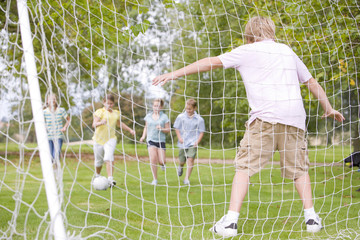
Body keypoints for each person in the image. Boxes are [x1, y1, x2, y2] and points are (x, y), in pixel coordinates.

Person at [152, 16, 345, 237]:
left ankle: (231, 223)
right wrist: (328, 107)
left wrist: (173, 74)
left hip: (265, 119)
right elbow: (310, 81)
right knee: (299, 169)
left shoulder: (247, 50)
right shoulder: (286, 51)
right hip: (294, 119)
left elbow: (211, 62)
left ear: (250, 33)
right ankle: (311, 219)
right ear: (271, 30)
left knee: (243, 168)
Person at [92, 94, 135, 187]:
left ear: (113, 104)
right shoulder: (100, 112)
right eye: (107, 103)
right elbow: (94, 124)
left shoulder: (116, 113)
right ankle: (97, 176)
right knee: (98, 161)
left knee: (108, 157)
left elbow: (120, 124)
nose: (109, 105)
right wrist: (100, 123)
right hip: (98, 139)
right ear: (104, 103)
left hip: (111, 138)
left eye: (111, 104)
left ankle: (110, 180)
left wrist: (130, 130)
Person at [174, 99, 205, 185]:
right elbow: (176, 128)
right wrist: (179, 138)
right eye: (186, 108)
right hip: (183, 142)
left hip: (193, 142)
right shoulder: (181, 117)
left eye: (190, 109)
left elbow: (202, 132)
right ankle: (180, 167)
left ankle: (186, 179)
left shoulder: (199, 119)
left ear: (195, 108)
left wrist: (197, 142)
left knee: (190, 160)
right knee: (182, 161)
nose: (188, 110)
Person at [140, 98, 170, 185]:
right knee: (153, 159)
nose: (156, 107)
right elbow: (146, 127)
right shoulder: (148, 116)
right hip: (150, 140)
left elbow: (168, 130)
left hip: (161, 141)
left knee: (162, 161)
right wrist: (143, 137)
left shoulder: (164, 117)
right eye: (154, 105)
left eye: (158, 106)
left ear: (161, 107)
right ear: (152, 106)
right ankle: (155, 179)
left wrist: (162, 129)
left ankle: (162, 165)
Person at [43, 93, 70, 164]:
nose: (53, 100)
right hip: (48, 136)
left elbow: (68, 119)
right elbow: (40, 122)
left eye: (54, 99)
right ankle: (53, 171)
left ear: (56, 100)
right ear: (47, 101)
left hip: (58, 136)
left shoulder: (61, 110)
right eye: (50, 99)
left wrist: (64, 127)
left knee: (56, 155)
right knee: (50, 157)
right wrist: (44, 127)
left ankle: (56, 171)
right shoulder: (44, 112)